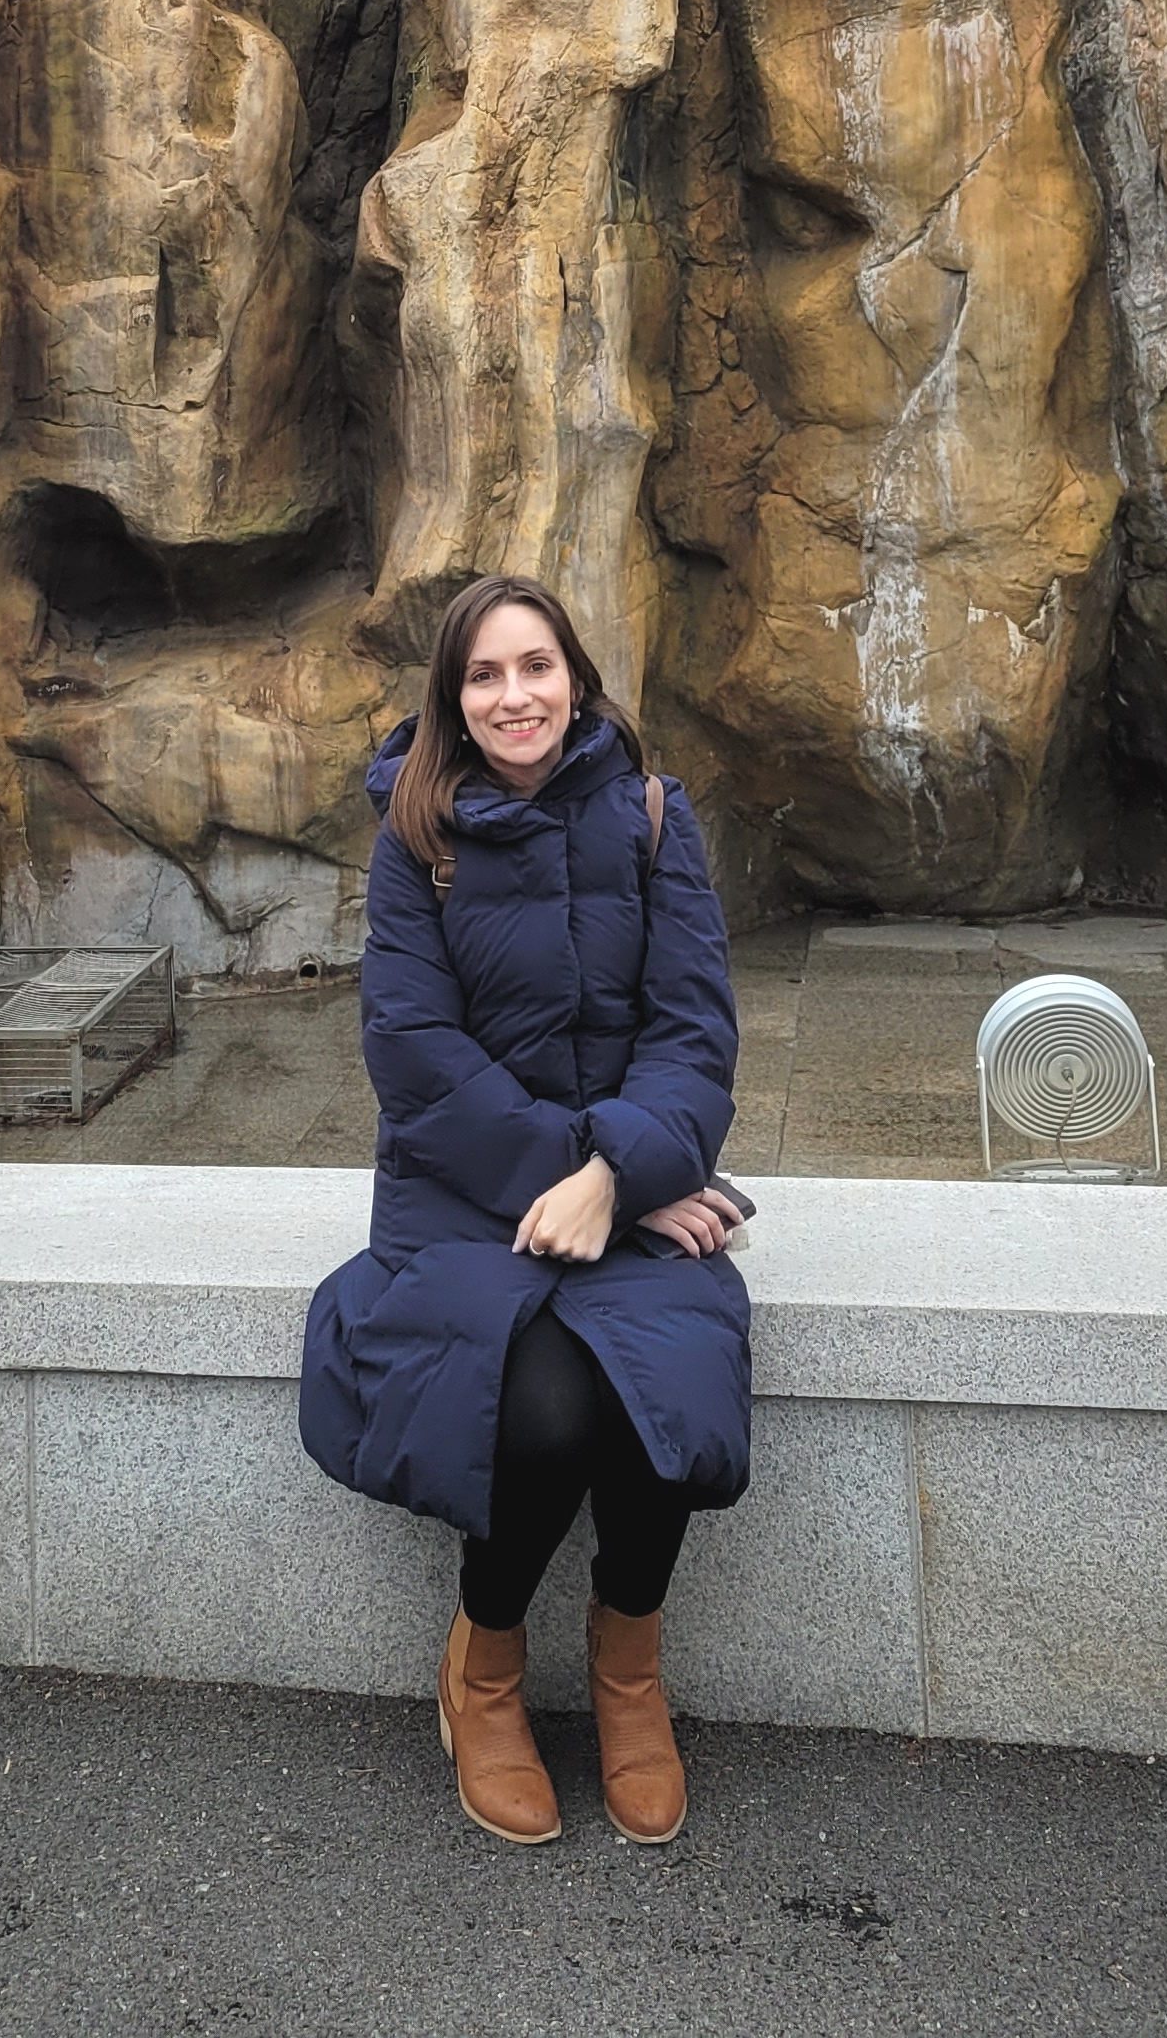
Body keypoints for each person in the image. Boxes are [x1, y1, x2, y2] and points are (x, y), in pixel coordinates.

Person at [300, 573, 750, 1848]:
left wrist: (625, 1175)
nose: (515, 697)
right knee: (542, 1409)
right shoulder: (416, 838)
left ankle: (627, 1677)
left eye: (536, 667)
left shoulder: (658, 819)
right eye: (485, 676)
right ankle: (484, 1667)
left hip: (629, 1185)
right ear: (454, 697)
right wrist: (585, 1176)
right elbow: (413, 1052)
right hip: (460, 1201)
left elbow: (693, 1034)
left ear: (576, 677)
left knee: (658, 1398)